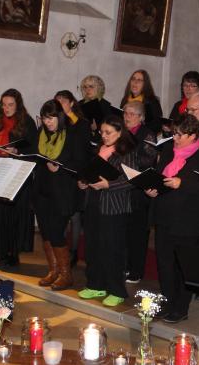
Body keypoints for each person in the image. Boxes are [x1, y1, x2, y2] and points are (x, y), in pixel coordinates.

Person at [146, 115, 199, 323]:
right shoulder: (169, 149)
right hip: (165, 215)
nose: (175, 138)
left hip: (189, 219)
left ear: (193, 135)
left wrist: (182, 183)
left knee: (183, 265)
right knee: (164, 263)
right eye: (174, 133)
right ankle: (167, 302)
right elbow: (160, 176)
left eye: (179, 135)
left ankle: (181, 307)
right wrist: (153, 189)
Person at [77, 115, 137, 307]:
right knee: (93, 246)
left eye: (108, 132)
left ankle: (116, 290)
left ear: (120, 133)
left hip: (114, 207)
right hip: (94, 203)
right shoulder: (100, 149)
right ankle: (96, 284)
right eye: (102, 132)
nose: (104, 135)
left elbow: (130, 181)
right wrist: (84, 181)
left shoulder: (126, 152)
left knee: (112, 249)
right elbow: (92, 171)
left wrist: (108, 184)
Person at [35, 100, 88, 291]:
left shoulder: (72, 134)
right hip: (42, 190)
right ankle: (54, 270)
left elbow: (81, 162)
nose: (48, 122)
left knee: (57, 231)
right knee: (46, 232)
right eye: (44, 118)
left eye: (51, 118)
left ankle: (66, 275)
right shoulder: (40, 134)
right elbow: (35, 156)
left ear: (60, 116)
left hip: (63, 191)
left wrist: (59, 166)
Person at [0, 88, 38, 267]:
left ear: (18, 105)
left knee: (14, 214)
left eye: (10, 105)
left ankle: (13, 254)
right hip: (0, 169)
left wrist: (17, 151)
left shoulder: (27, 122)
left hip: (18, 171)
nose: (6, 108)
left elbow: (34, 150)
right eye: (4, 104)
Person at [123, 101, 157, 283]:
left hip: (139, 190)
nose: (126, 117)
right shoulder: (122, 132)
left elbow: (149, 160)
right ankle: (125, 266)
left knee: (137, 233)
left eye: (131, 114)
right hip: (123, 189)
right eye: (125, 113)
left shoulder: (147, 134)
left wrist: (129, 157)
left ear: (140, 117)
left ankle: (136, 270)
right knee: (124, 231)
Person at [54, 89, 89, 268]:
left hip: (75, 172)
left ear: (72, 103)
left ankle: (74, 251)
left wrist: (82, 175)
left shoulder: (81, 123)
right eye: (57, 102)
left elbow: (84, 151)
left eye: (63, 102)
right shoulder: (57, 122)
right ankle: (61, 250)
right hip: (60, 173)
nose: (60, 105)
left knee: (75, 214)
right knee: (61, 213)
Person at [120, 70, 164, 134]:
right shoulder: (125, 100)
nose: (135, 82)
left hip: (143, 137)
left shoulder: (151, 102)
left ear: (145, 84)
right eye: (133, 79)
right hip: (125, 135)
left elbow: (157, 125)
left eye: (139, 80)